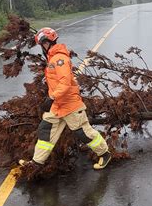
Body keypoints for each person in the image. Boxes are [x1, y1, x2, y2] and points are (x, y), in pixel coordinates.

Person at [19, 27, 111, 170]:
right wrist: (52, 99)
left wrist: (51, 98)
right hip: (57, 106)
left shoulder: (59, 58)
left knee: (83, 133)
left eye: (43, 43)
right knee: (45, 130)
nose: (42, 47)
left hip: (70, 105)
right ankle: (37, 162)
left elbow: (65, 82)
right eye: (41, 44)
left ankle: (105, 154)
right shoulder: (52, 57)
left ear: (49, 42)